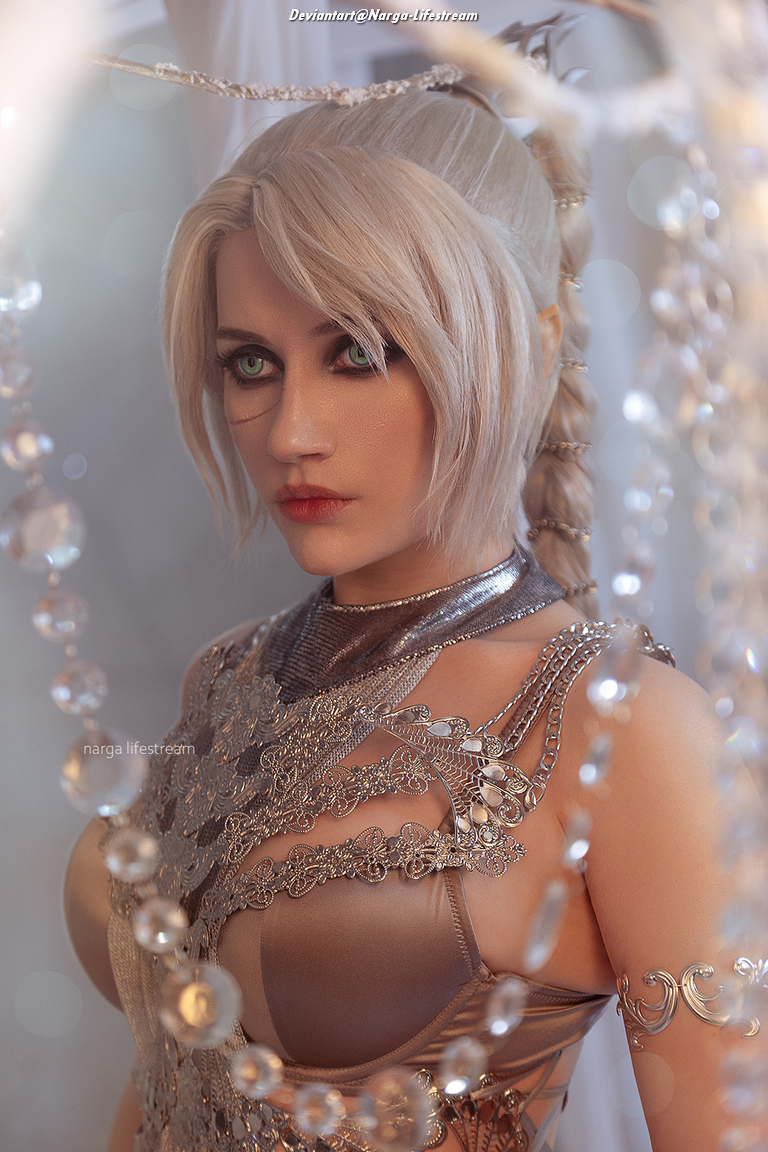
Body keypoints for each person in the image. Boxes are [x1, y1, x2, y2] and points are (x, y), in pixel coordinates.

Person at [64, 85, 758, 1152]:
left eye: (357, 353)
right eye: (252, 362)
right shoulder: (229, 677)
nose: (292, 430)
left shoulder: (625, 731)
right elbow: (166, 1087)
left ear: (527, 345)